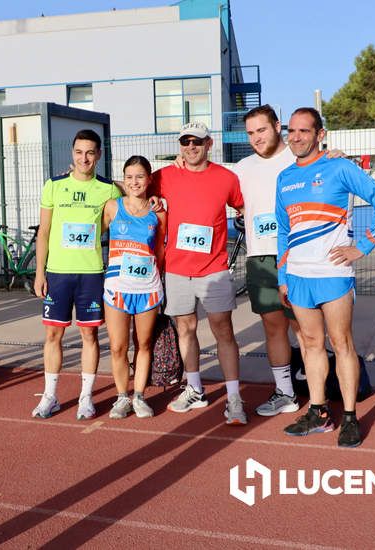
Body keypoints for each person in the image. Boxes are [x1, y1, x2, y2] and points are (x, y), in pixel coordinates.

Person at [276, 107, 375, 448]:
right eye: (292, 131)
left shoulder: (340, 167)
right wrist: (283, 276)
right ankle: (318, 413)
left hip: (333, 274)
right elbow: (284, 233)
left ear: (319, 134)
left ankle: (349, 417)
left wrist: (363, 246)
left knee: (342, 344)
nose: (296, 137)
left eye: (304, 131)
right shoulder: (284, 178)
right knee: (311, 345)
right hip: (298, 277)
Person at [150, 121, 247, 424]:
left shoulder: (227, 178)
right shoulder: (164, 176)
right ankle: (195, 388)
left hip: (214, 269)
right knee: (185, 330)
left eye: (197, 141)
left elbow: (246, 206)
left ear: (209, 144)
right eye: (185, 142)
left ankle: (233, 398)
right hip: (177, 269)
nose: (190, 147)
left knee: (223, 330)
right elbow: (132, 184)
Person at [32, 129, 122, 420]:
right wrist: (39, 272)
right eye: (79, 152)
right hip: (58, 273)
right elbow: (43, 232)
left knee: (89, 334)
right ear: (72, 153)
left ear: (99, 155)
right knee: (53, 334)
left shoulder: (108, 189)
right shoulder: (54, 185)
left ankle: (85, 397)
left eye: (90, 152)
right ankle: (50, 396)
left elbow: (134, 191)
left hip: (91, 272)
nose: (84, 158)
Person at [230, 105, 306, 417]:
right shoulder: (241, 168)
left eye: (261, 130)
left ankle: (319, 391)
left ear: (277, 126)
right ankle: (285, 393)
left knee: (305, 326)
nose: (257, 137)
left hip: (296, 255)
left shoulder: (301, 158)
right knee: (273, 327)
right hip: (260, 257)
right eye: (250, 133)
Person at [102, 155, 165, 419]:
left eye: (140, 176)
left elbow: (160, 250)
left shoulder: (158, 211)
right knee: (118, 346)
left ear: (149, 179)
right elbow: (96, 240)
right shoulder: (112, 207)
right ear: (123, 179)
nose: (134, 182)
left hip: (147, 288)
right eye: (129, 177)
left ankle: (138, 396)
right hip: (117, 286)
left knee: (144, 343)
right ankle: (121, 397)